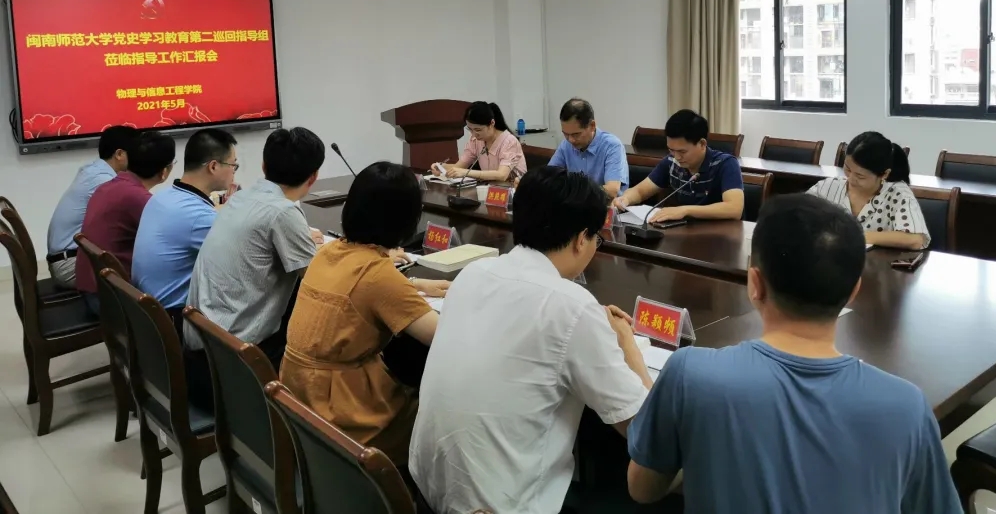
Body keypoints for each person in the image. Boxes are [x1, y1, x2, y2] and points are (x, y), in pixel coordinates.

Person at [626, 194, 963, 513]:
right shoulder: (907, 407)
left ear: (754, 283)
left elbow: (643, 489)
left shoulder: (690, 373)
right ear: (854, 291)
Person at [410, 166, 652, 514]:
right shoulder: (573, 306)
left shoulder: (473, 273)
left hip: (425, 493)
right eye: (596, 240)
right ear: (581, 239)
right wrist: (626, 343)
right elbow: (643, 430)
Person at [281, 162, 451, 466]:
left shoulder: (329, 252)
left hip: (298, 396)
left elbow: (359, 288)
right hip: (343, 411)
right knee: (441, 415)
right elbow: (444, 337)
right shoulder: (377, 274)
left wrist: (412, 284)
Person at [184, 126, 326, 374]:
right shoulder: (283, 212)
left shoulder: (240, 197)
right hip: (234, 358)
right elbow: (319, 282)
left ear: (263, 166)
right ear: (313, 177)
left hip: (201, 341)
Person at [131, 129, 238, 333]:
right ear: (213, 166)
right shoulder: (198, 217)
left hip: (149, 316)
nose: (234, 171)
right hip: (175, 321)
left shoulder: (162, 197)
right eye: (233, 164)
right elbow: (241, 258)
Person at [74, 131, 175, 313]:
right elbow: (171, 244)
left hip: (93, 288)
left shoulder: (108, 186)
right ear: (164, 172)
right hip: (109, 299)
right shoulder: (138, 198)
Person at [46, 125, 141, 288]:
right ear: (119, 154)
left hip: (68, 257)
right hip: (69, 264)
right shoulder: (103, 180)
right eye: (136, 154)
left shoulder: (94, 171)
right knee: (146, 270)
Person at [614, 109, 744, 222]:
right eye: (671, 150)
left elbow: (734, 208)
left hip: (722, 236)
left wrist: (685, 210)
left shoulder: (726, 164)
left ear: (702, 144)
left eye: (682, 151)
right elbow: (640, 191)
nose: (676, 157)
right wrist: (625, 199)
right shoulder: (671, 162)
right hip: (686, 234)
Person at [807, 131, 929, 250]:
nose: (850, 179)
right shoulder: (828, 187)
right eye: (848, 169)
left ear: (884, 174)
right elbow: (799, 215)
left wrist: (855, 237)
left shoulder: (897, 193)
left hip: (877, 263)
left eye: (860, 176)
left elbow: (916, 239)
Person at [547, 98, 629, 198]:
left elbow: (612, 190)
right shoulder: (566, 145)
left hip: (605, 205)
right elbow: (548, 179)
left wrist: (574, 192)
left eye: (576, 134)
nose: (571, 140)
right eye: (566, 134)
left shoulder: (612, 146)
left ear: (592, 126)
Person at [431, 101, 526, 182]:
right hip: (490, 189)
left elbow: (502, 175)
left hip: (513, 191)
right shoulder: (475, 141)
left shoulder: (509, 141)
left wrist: (466, 172)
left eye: (478, 130)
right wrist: (441, 167)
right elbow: (459, 167)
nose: (474, 135)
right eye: (470, 129)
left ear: (492, 123)